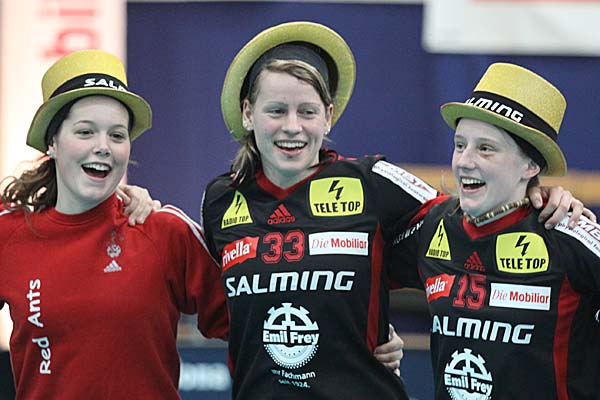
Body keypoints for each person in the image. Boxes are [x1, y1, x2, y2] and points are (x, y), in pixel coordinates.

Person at [201, 22, 587, 399]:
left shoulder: (374, 181)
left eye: (307, 111)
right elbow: (226, 317)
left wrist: (533, 194)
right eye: (276, 110)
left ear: (328, 116)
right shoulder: (220, 200)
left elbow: (473, 217)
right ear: (248, 113)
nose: (292, 126)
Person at [0, 49, 228, 399]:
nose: (103, 147)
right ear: (52, 143)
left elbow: (252, 326)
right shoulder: (10, 234)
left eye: (117, 135)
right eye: (85, 132)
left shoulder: (163, 231)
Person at [390, 62, 600, 399]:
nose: (464, 161)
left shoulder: (569, 237)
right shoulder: (433, 225)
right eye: (460, 145)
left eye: (485, 148)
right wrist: (373, 338)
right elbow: (350, 270)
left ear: (531, 165)